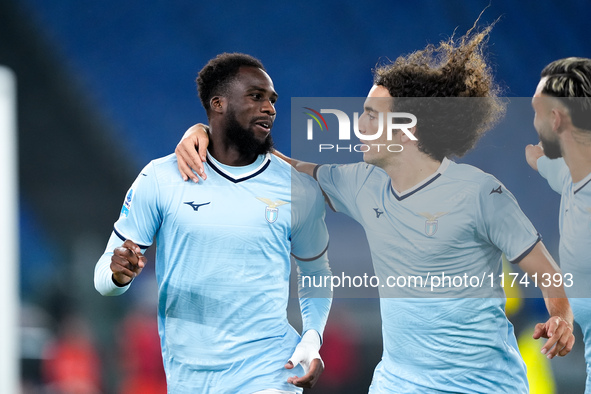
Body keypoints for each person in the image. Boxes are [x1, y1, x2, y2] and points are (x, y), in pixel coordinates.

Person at [175, 27, 576, 393]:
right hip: (399, 382)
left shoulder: (480, 194)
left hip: (482, 385)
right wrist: (209, 132)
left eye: (371, 116)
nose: (360, 127)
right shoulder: (362, 183)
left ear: (407, 128)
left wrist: (560, 315)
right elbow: (285, 169)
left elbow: (547, 273)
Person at [94, 53, 333, 394]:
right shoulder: (160, 178)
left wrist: (311, 339)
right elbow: (104, 276)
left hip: (269, 369)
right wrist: (119, 275)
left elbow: (316, 274)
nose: (270, 108)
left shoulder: (298, 188)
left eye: (272, 100)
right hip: (189, 375)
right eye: (256, 96)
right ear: (218, 103)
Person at [525, 57, 591, 393]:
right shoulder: (570, 178)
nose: (532, 122)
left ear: (556, 119)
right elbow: (550, 167)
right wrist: (537, 159)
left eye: (536, 110)